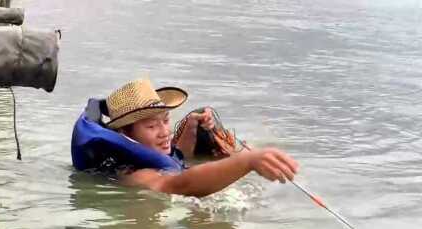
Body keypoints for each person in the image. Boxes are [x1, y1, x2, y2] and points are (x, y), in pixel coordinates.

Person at [70, 78, 299, 197]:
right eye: (151, 125)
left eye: (166, 120)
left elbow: (178, 158)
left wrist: (192, 126)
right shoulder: (133, 174)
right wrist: (248, 161)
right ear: (125, 134)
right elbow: (178, 183)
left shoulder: (153, 151)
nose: (164, 132)